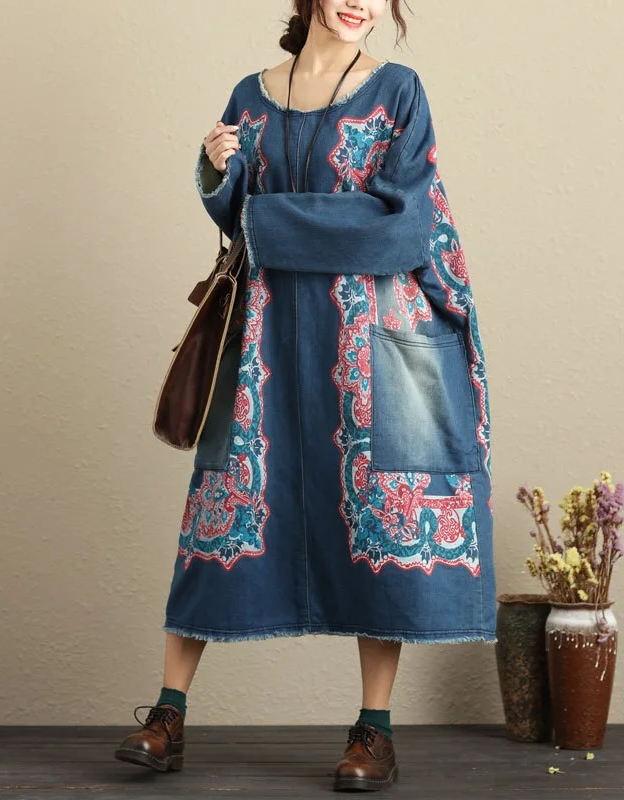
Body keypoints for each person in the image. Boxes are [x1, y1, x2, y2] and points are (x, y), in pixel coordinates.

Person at [114, 0, 497, 792]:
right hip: (265, 341)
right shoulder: (248, 95)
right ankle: (167, 716)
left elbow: (399, 225)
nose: (360, 2)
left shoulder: (398, 91)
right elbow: (237, 222)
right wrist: (217, 174)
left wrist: (265, 217)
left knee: (381, 521)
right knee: (222, 511)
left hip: (370, 338)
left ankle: (373, 730)